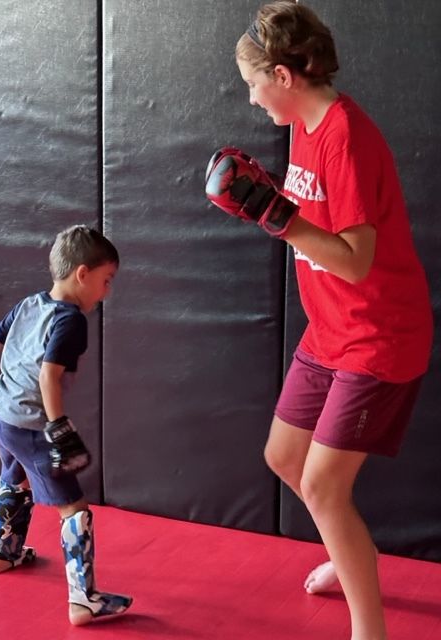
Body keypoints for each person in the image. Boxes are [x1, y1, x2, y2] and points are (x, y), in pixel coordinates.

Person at [205, 2, 433, 639]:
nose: (252, 98)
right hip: (330, 329)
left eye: (254, 84)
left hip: (378, 335)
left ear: (283, 75)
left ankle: (370, 632)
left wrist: (275, 215)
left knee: (325, 489)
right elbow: (318, 219)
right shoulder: (306, 126)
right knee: (284, 458)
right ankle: (350, 550)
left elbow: (356, 261)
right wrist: (274, 202)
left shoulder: (345, 136)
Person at [0, 224, 132, 626]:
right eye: (106, 280)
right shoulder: (71, 320)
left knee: (14, 476)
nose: (107, 292)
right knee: (74, 508)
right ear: (83, 274)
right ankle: (83, 600)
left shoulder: (28, 304)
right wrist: (59, 430)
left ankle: (5, 554)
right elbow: (48, 377)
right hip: (30, 425)